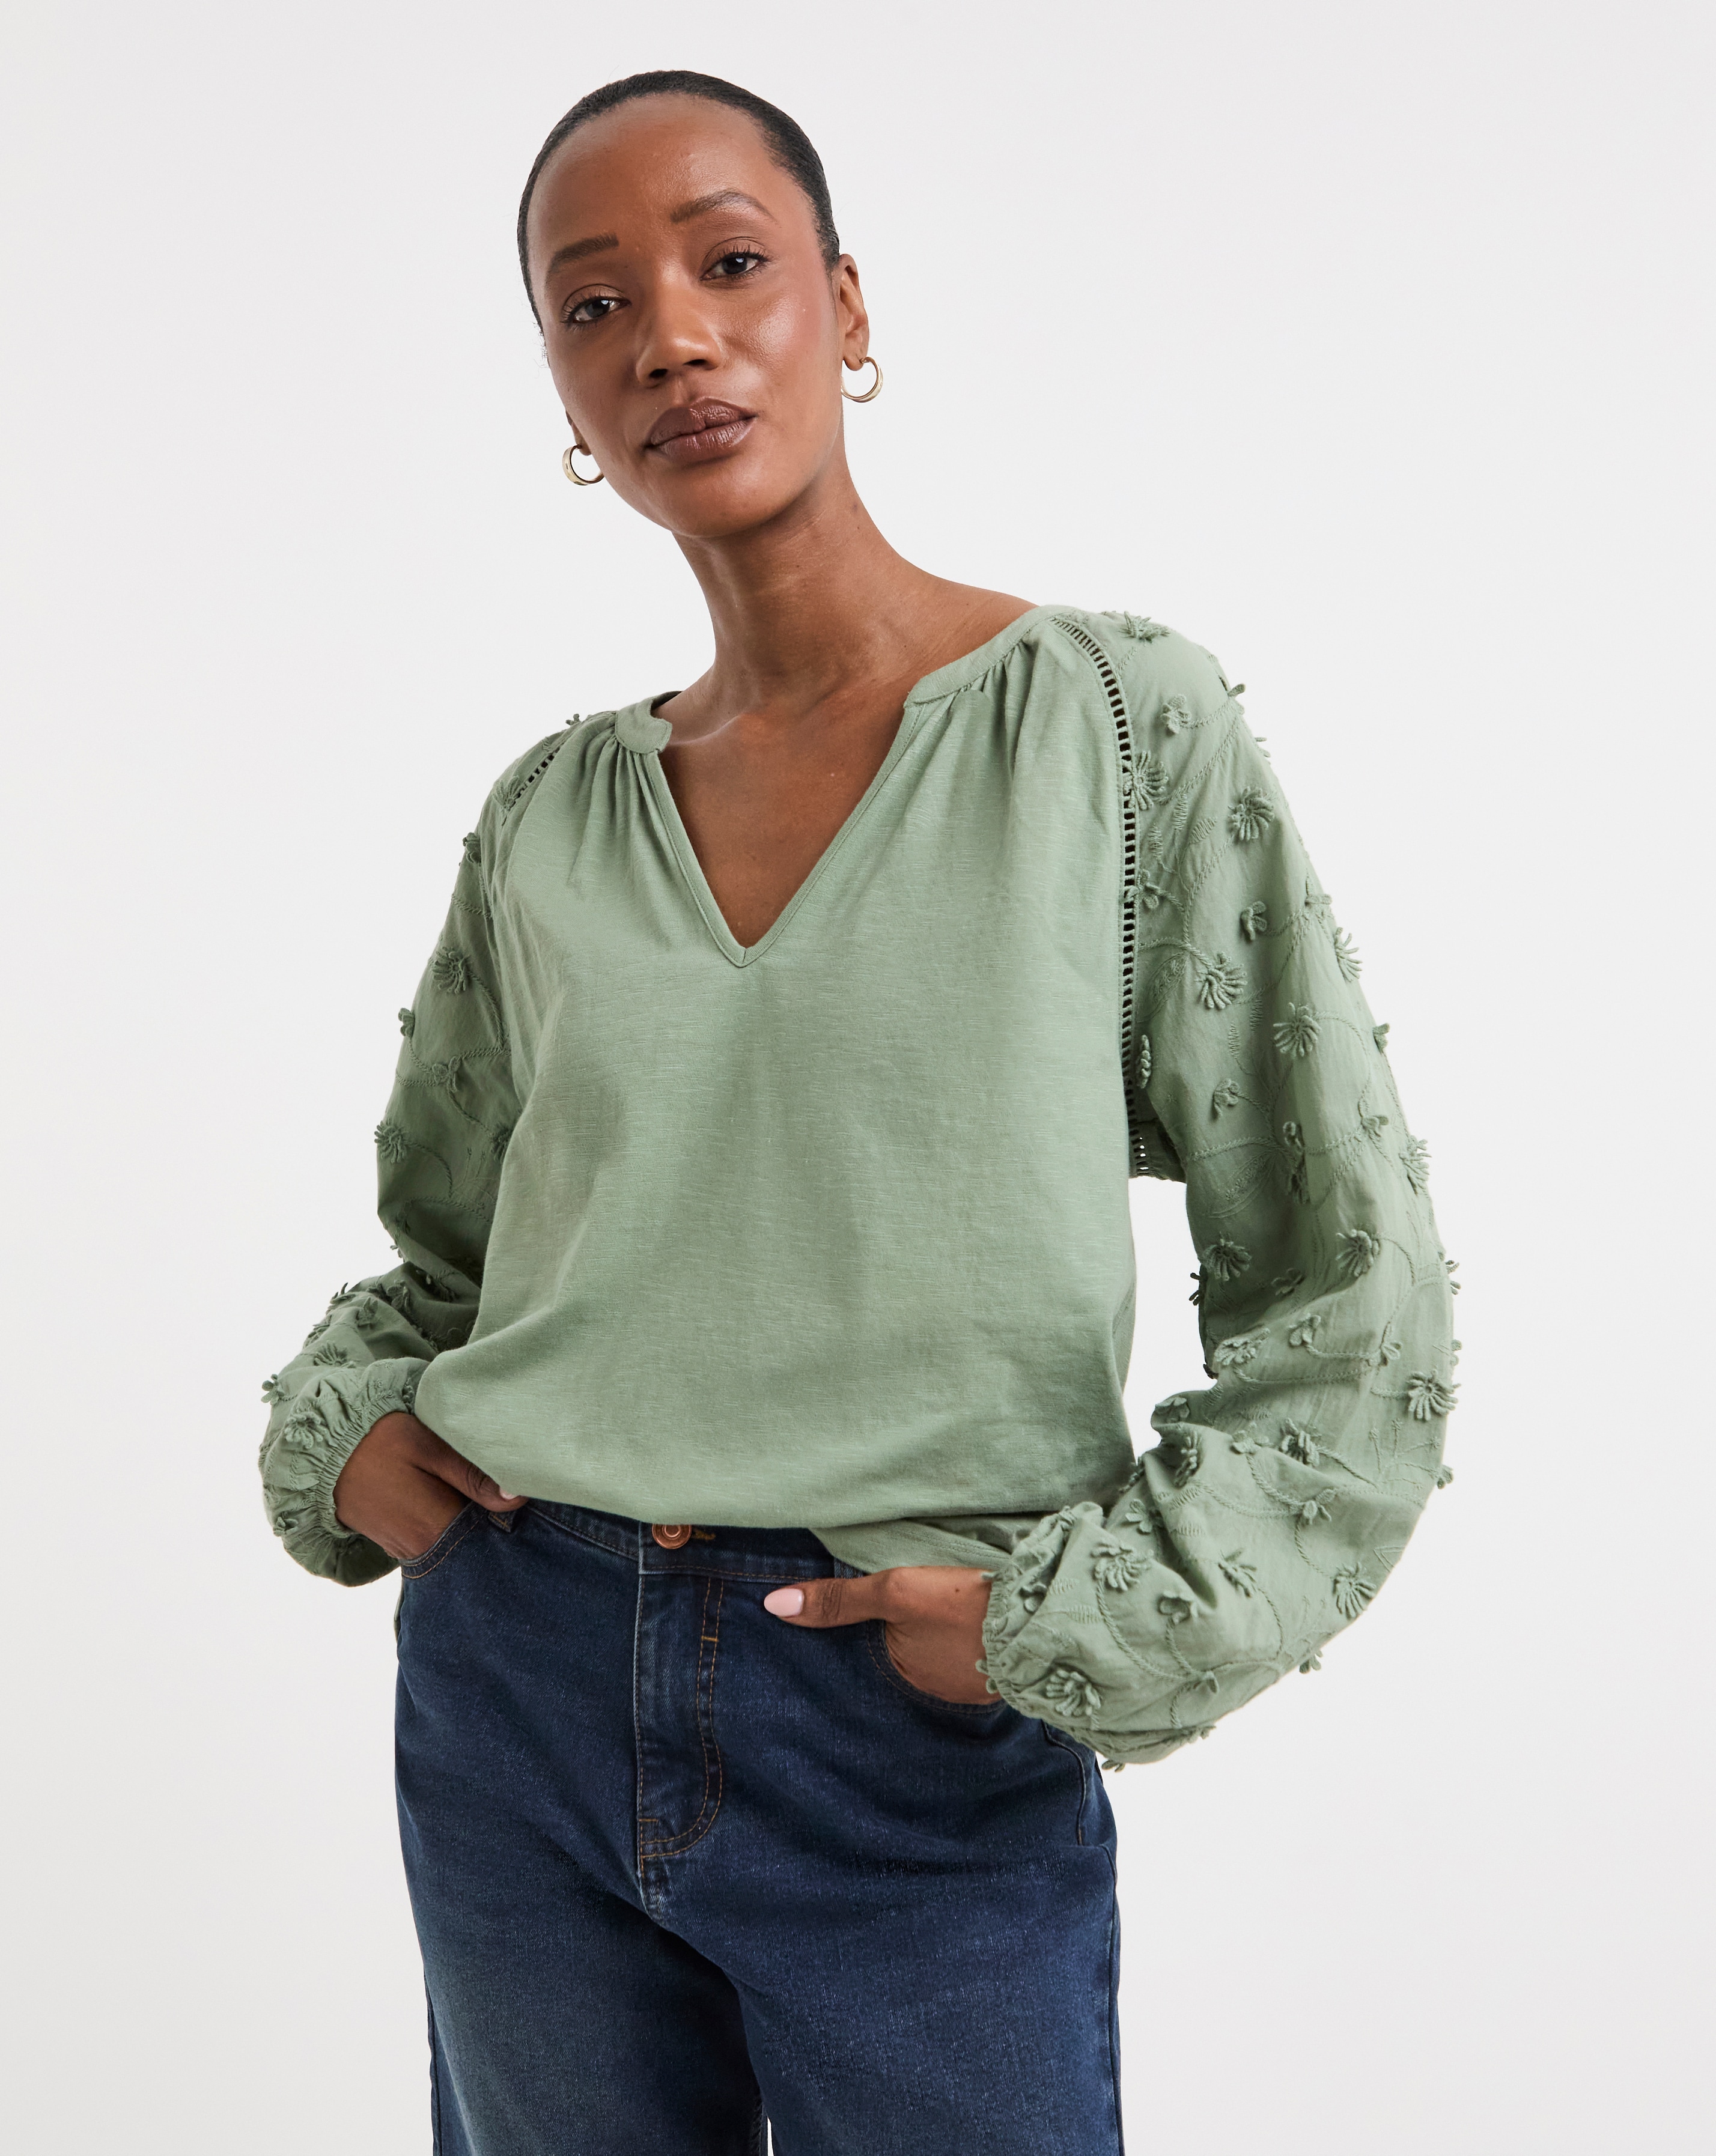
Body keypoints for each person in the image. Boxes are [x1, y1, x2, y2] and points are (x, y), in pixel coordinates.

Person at [258, 68, 1457, 2156]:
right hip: (521, 1682)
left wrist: (1078, 1624)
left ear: (847, 304)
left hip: (908, 1705)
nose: (671, 338)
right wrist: (345, 1426)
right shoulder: (552, 816)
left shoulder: (1112, 726)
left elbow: (1349, 1295)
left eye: (729, 264)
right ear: (564, 391)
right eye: (593, 304)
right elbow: (453, 1258)